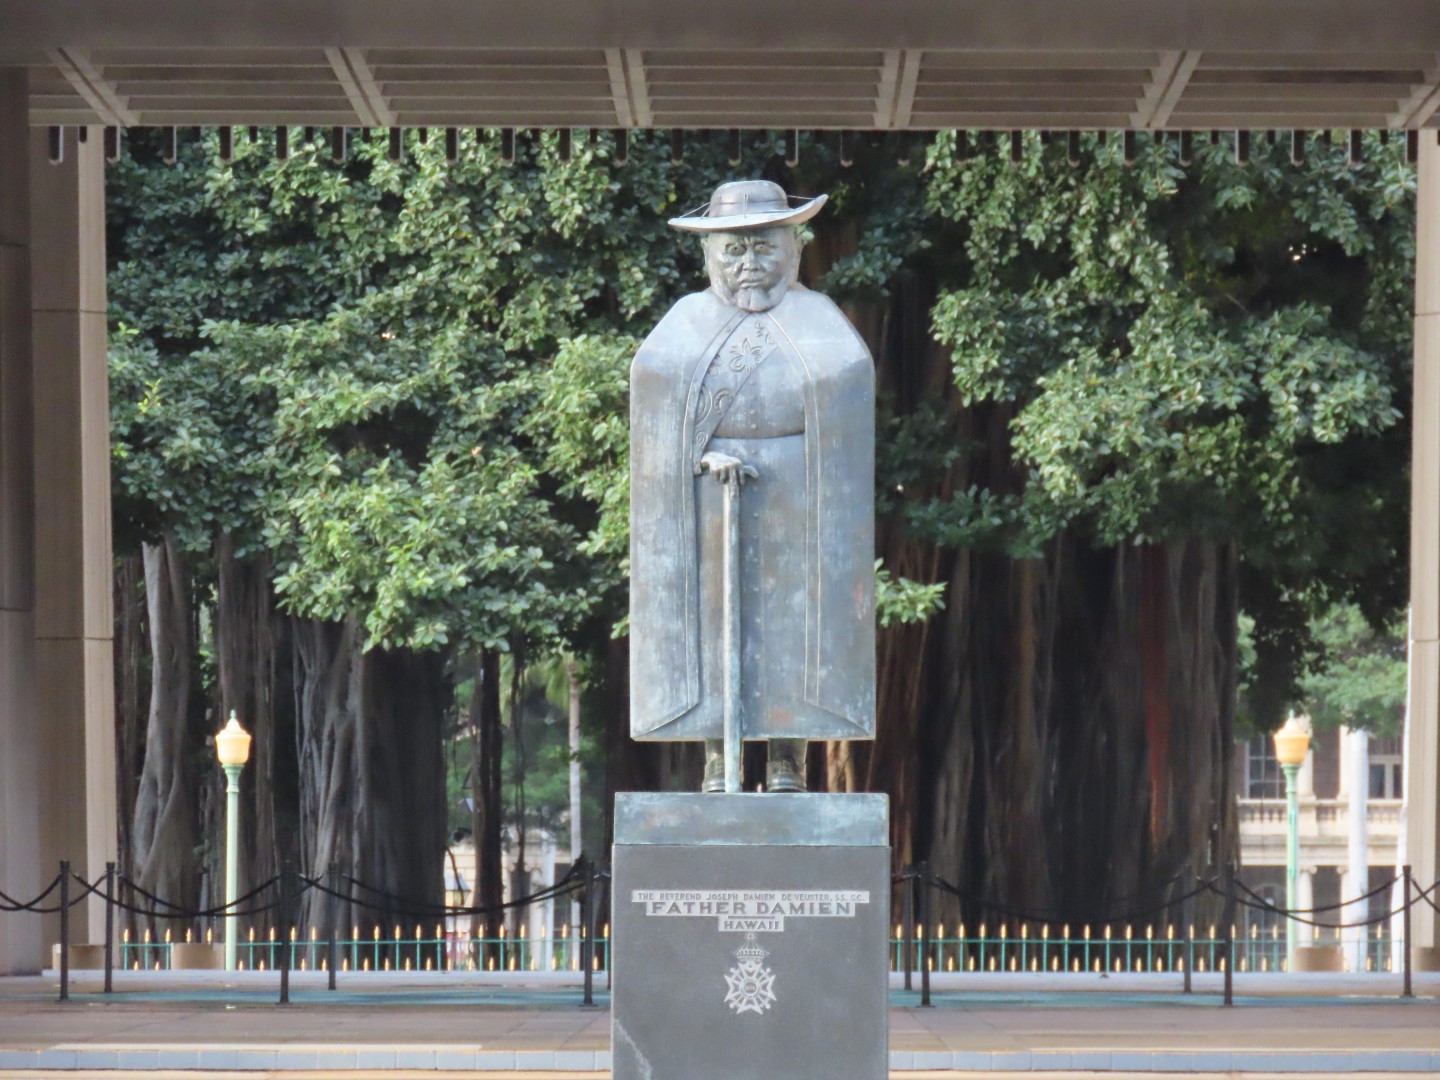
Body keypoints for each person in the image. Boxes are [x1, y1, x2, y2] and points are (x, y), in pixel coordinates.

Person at [629, 179, 875, 792]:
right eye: (733, 251)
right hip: (710, 504)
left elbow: (847, 385)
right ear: (708, 256)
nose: (748, 264)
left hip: (800, 499)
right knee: (716, 627)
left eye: (763, 249)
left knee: (791, 628)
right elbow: (657, 409)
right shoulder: (684, 323)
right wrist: (704, 457)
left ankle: (787, 758)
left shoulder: (819, 318)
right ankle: (717, 758)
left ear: (793, 250)